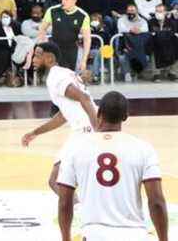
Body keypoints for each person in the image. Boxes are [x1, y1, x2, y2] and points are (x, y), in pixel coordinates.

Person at [57, 91, 168, 241]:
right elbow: (156, 202)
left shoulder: (76, 148)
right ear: (125, 116)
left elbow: (64, 202)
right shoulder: (144, 148)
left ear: (99, 113)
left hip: (93, 234)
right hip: (134, 235)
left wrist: (65, 238)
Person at [22, 42, 98, 197]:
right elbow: (64, 115)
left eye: (37, 55)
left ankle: (79, 214)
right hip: (86, 130)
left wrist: (98, 128)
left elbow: (83, 98)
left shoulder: (55, 77)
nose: (34, 60)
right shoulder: (64, 73)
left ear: (49, 58)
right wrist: (36, 132)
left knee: (57, 181)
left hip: (86, 131)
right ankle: (82, 211)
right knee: (70, 181)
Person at [37, 0, 92, 74]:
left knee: (68, 76)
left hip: (71, 49)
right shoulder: (53, 11)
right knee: (56, 75)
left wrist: (84, 60)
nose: (63, 1)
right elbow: (42, 29)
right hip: (55, 48)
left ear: (74, 1)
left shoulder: (83, 15)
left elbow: (87, 39)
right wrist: (42, 46)